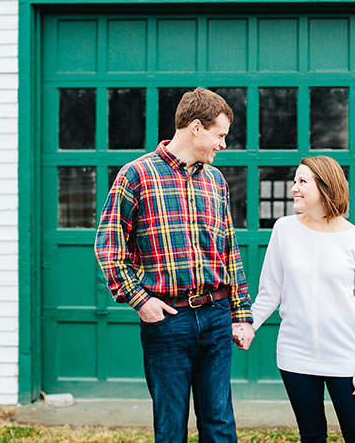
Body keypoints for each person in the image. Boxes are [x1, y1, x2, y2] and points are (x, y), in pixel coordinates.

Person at [94, 87, 254, 443]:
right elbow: (108, 247)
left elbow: (229, 250)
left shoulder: (216, 181)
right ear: (196, 127)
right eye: (220, 135)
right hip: (168, 321)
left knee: (220, 424)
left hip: (215, 315)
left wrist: (241, 314)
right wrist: (141, 300)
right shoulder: (135, 175)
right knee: (170, 428)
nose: (223, 145)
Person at [236, 156, 355, 442]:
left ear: (325, 187)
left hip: (345, 358)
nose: (294, 189)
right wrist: (248, 324)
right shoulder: (284, 229)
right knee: (311, 436)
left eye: (302, 182)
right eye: (294, 181)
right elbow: (269, 291)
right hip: (295, 356)